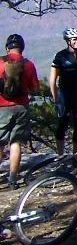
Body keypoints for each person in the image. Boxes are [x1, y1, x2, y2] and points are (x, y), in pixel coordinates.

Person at [0, 34, 40, 188]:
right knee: (15, 142)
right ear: (22, 48)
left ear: (7, 47)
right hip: (21, 106)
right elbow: (35, 89)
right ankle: (12, 180)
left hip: (2, 107)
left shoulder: (1, 62)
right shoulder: (28, 64)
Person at [50, 27, 77, 155]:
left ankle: (75, 155)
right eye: (74, 39)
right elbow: (52, 78)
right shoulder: (60, 56)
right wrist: (56, 99)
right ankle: (60, 155)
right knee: (62, 125)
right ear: (68, 41)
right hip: (64, 95)